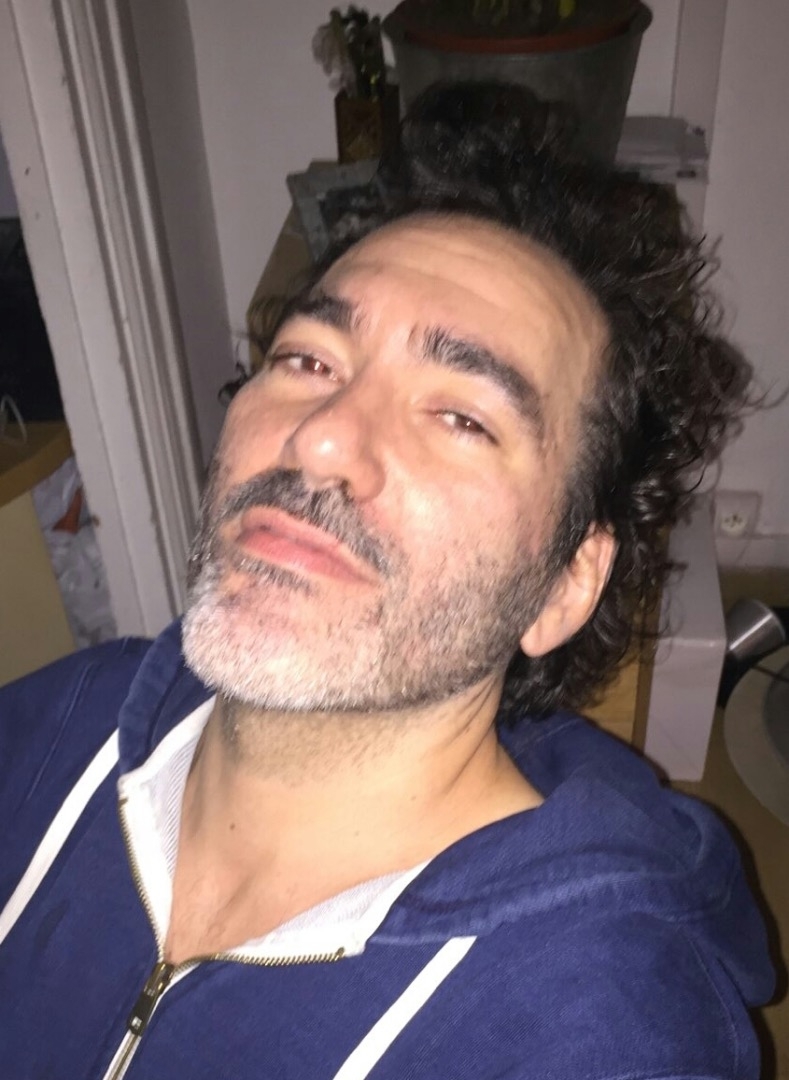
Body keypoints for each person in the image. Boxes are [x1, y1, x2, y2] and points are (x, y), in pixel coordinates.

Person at [0, 83, 774, 1079]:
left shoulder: (603, 1037)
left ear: (563, 588)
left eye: (461, 417)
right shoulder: (59, 725)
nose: (322, 438)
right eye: (309, 360)